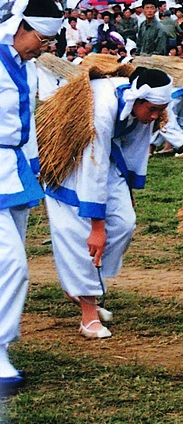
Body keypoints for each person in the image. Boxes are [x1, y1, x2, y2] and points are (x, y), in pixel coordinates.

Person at [44, 67, 174, 339]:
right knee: (80, 234)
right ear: (137, 100)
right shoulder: (101, 107)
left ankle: (79, 289)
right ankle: (88, 315)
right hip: (72, 162)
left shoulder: (146, 111)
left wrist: (128, 191)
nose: (154, 117)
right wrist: (97, 226)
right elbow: (94, 163)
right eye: (151, 109)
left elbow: (135, 150)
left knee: (125, 223)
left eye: (159, 111)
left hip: (106, 160)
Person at [0, 0, 63, 389]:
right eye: (42, 38)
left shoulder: (26, 66)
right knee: (12, 265)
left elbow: (26, 123)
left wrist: (37, 168)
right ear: (20, 27)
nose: (46, 47)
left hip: (15, 172)